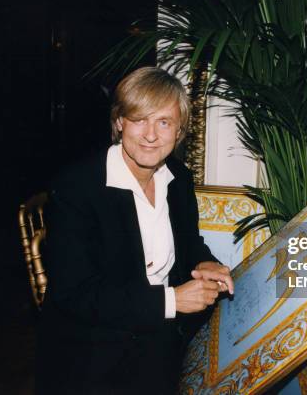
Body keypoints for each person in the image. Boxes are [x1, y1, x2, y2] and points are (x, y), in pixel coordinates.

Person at [35, 67, 234, 394]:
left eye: (164, 122)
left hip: (159, 338)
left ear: (179, 131)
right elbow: (76, 294)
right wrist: (172, 301)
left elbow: (188, 242)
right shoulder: (77, 188)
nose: (151, 135)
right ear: (119, 122)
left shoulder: (178, 178)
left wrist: (204, 263)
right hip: (93, 353)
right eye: (140, 119)